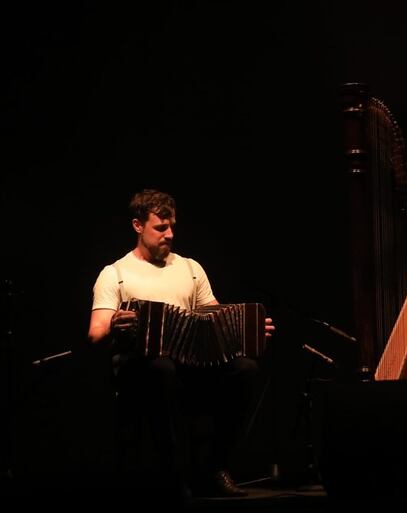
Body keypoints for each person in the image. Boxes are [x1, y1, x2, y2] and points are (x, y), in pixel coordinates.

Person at [87, 189, 275, 499]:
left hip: (191, 365)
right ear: (138, 226)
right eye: (160, 228)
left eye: (172, 226)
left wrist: (247, 330)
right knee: (162, 369)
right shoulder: (115, 274)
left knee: (244, 369)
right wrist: (115, 322)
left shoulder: (190, 268)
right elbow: (94, 334)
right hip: (143, 367)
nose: (169, 234)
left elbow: (216, 314)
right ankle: (175, 475)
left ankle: (214, 466)